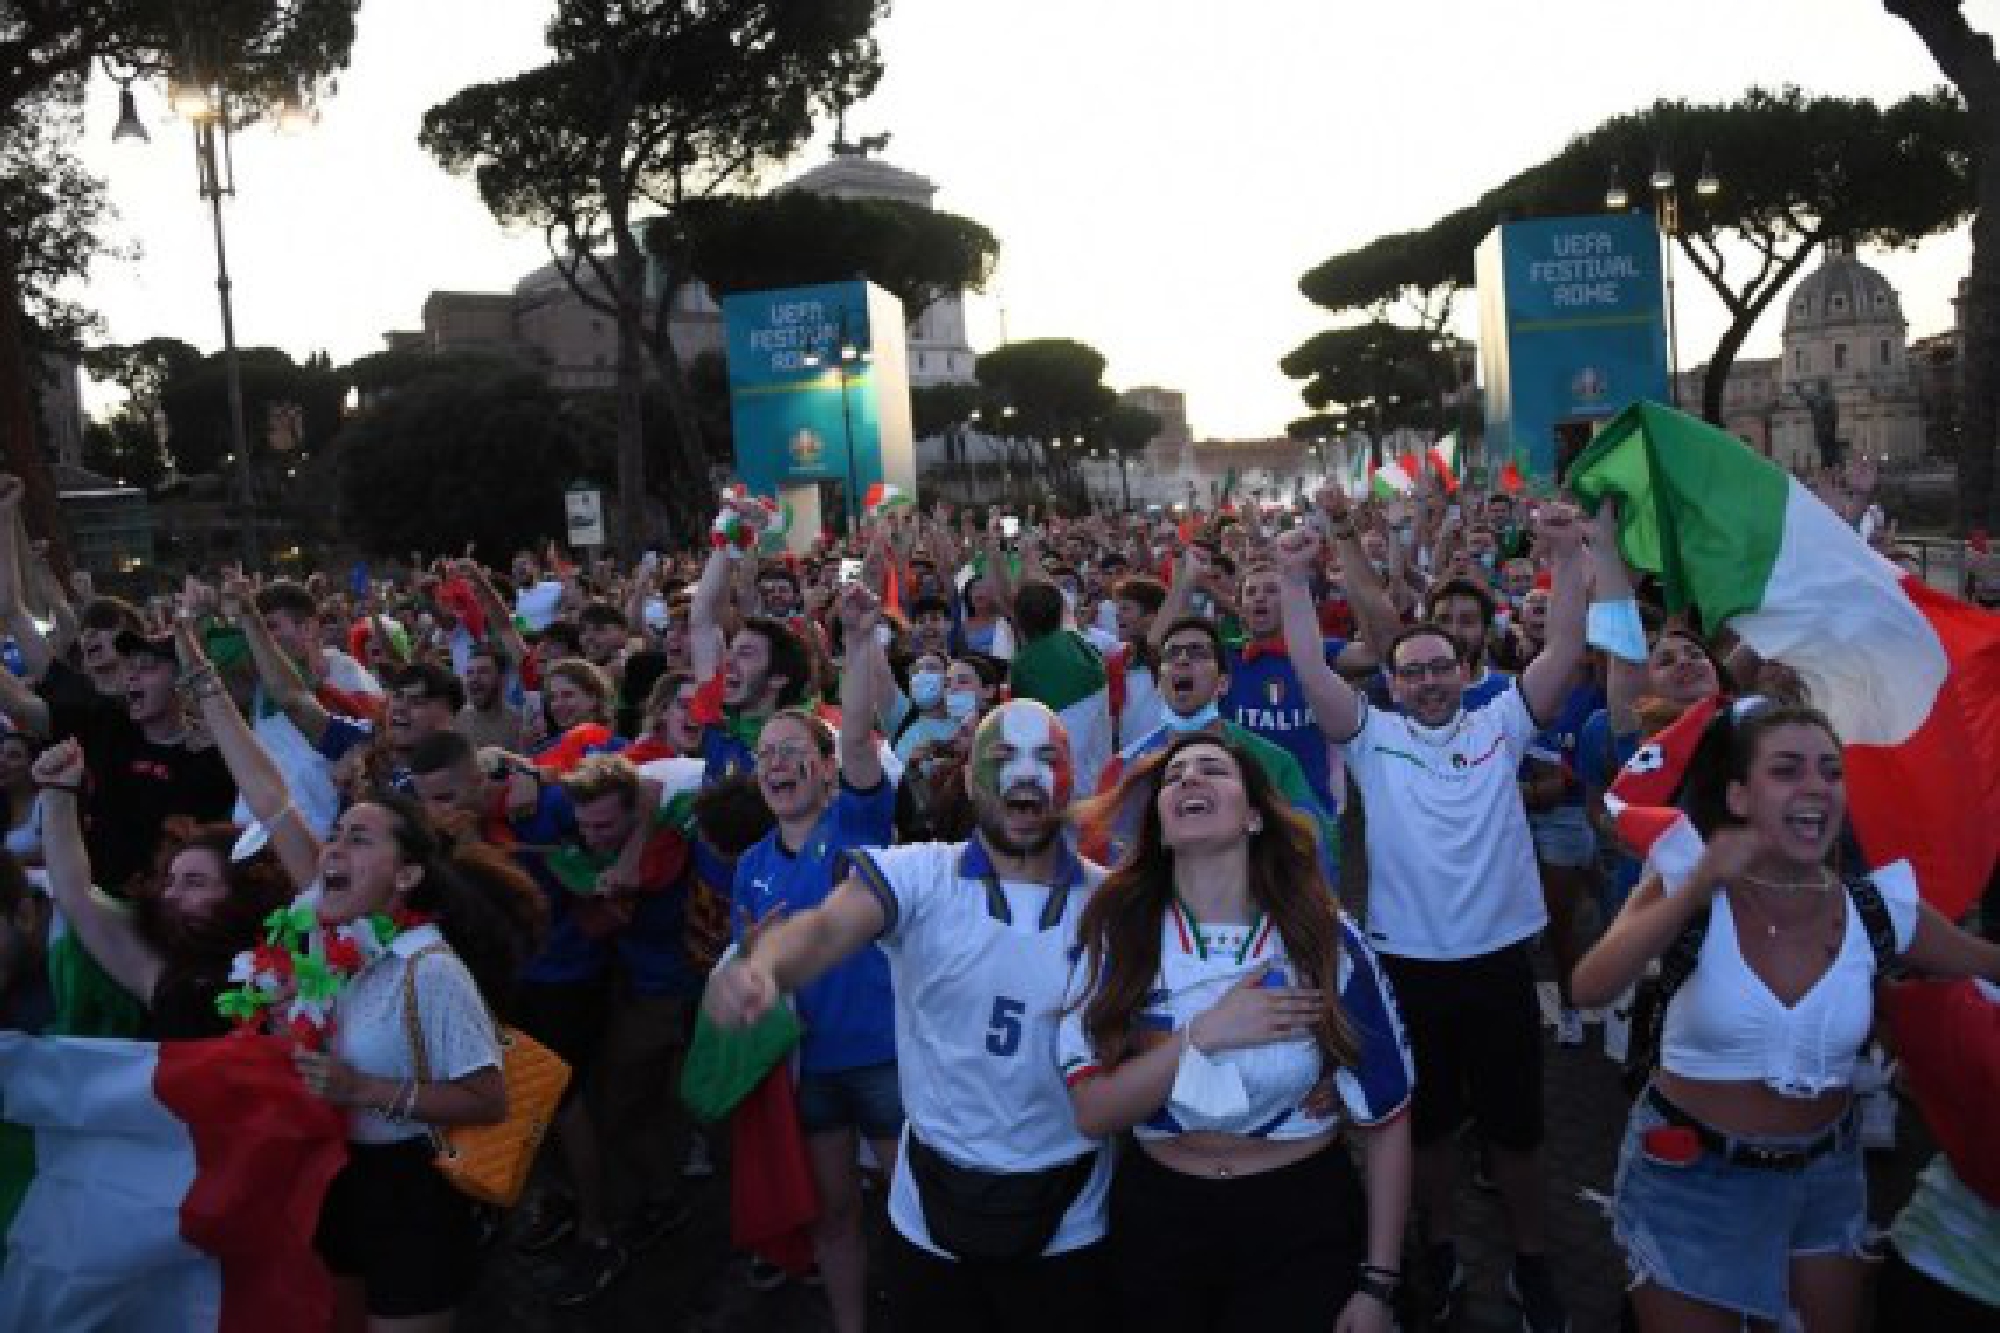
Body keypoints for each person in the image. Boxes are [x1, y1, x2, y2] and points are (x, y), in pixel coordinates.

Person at [1571, 701, 2000, 1333]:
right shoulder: (1686, 881)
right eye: (1788, 770)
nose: (1816, 788)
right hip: (1691, 1177)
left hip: (1824, 1180)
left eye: (1830, 772)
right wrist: (1697, 885)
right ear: (1739, 797)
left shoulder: (1881, 908)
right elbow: (1589, 986)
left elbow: (1991, 963)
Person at [1276, 498, 1588, 1333]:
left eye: (1439, 665)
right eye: (1408, 669)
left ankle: (1530, 1260)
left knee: (1519, 1131)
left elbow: (1563, 647)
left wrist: (1563, 551)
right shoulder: (1373, 734)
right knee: (1429, 1127)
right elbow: (1311, 672)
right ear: (1390, 680)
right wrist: (1290, 579)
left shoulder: (1503, 720)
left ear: (1466, 667)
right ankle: (1441, 1248)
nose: (1424, 679)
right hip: (1407, 964)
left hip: (1498, 965)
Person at [706, 699, 1111, 1331]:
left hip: (1070, 1217)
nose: (1025, 776)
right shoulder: (922, 875)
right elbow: (822, 928)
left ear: (1071, 778)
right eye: (1003, 759)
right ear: (973, 779)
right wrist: (764, 967)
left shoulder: (1114, 905)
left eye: (1046, 758)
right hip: (932, 1217)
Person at [1061, 733, 1412, 1331]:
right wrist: (1204, 1034)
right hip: (1159, 1217)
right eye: (1174, 778)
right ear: (1161, 827)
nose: (1189, 780)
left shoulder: (1325, 938)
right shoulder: (1117, 937)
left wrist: (1378, 1284)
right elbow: (1094, 1112)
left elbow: (1388, 1116)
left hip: (1300, 1216)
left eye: (1212, 770)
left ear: (1254, 815)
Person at [729, 584, 899, 1333]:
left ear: (827, 770)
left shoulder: (860, 821)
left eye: (794, 752)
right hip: (810, 1068)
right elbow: (749, 984)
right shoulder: (750, 866)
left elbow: (860, 734)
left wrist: (861, 642)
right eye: (766, 756)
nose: (778, 766)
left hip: (887, 1056)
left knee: (911, 1210)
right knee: (835, 1213)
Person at [27, 737, 289, 1039]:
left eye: (195, 882)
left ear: (245, 892)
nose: (171, 894)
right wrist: (56, 792)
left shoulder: (297, 960)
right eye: (170, 881)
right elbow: (76, 895)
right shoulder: (163, 970)